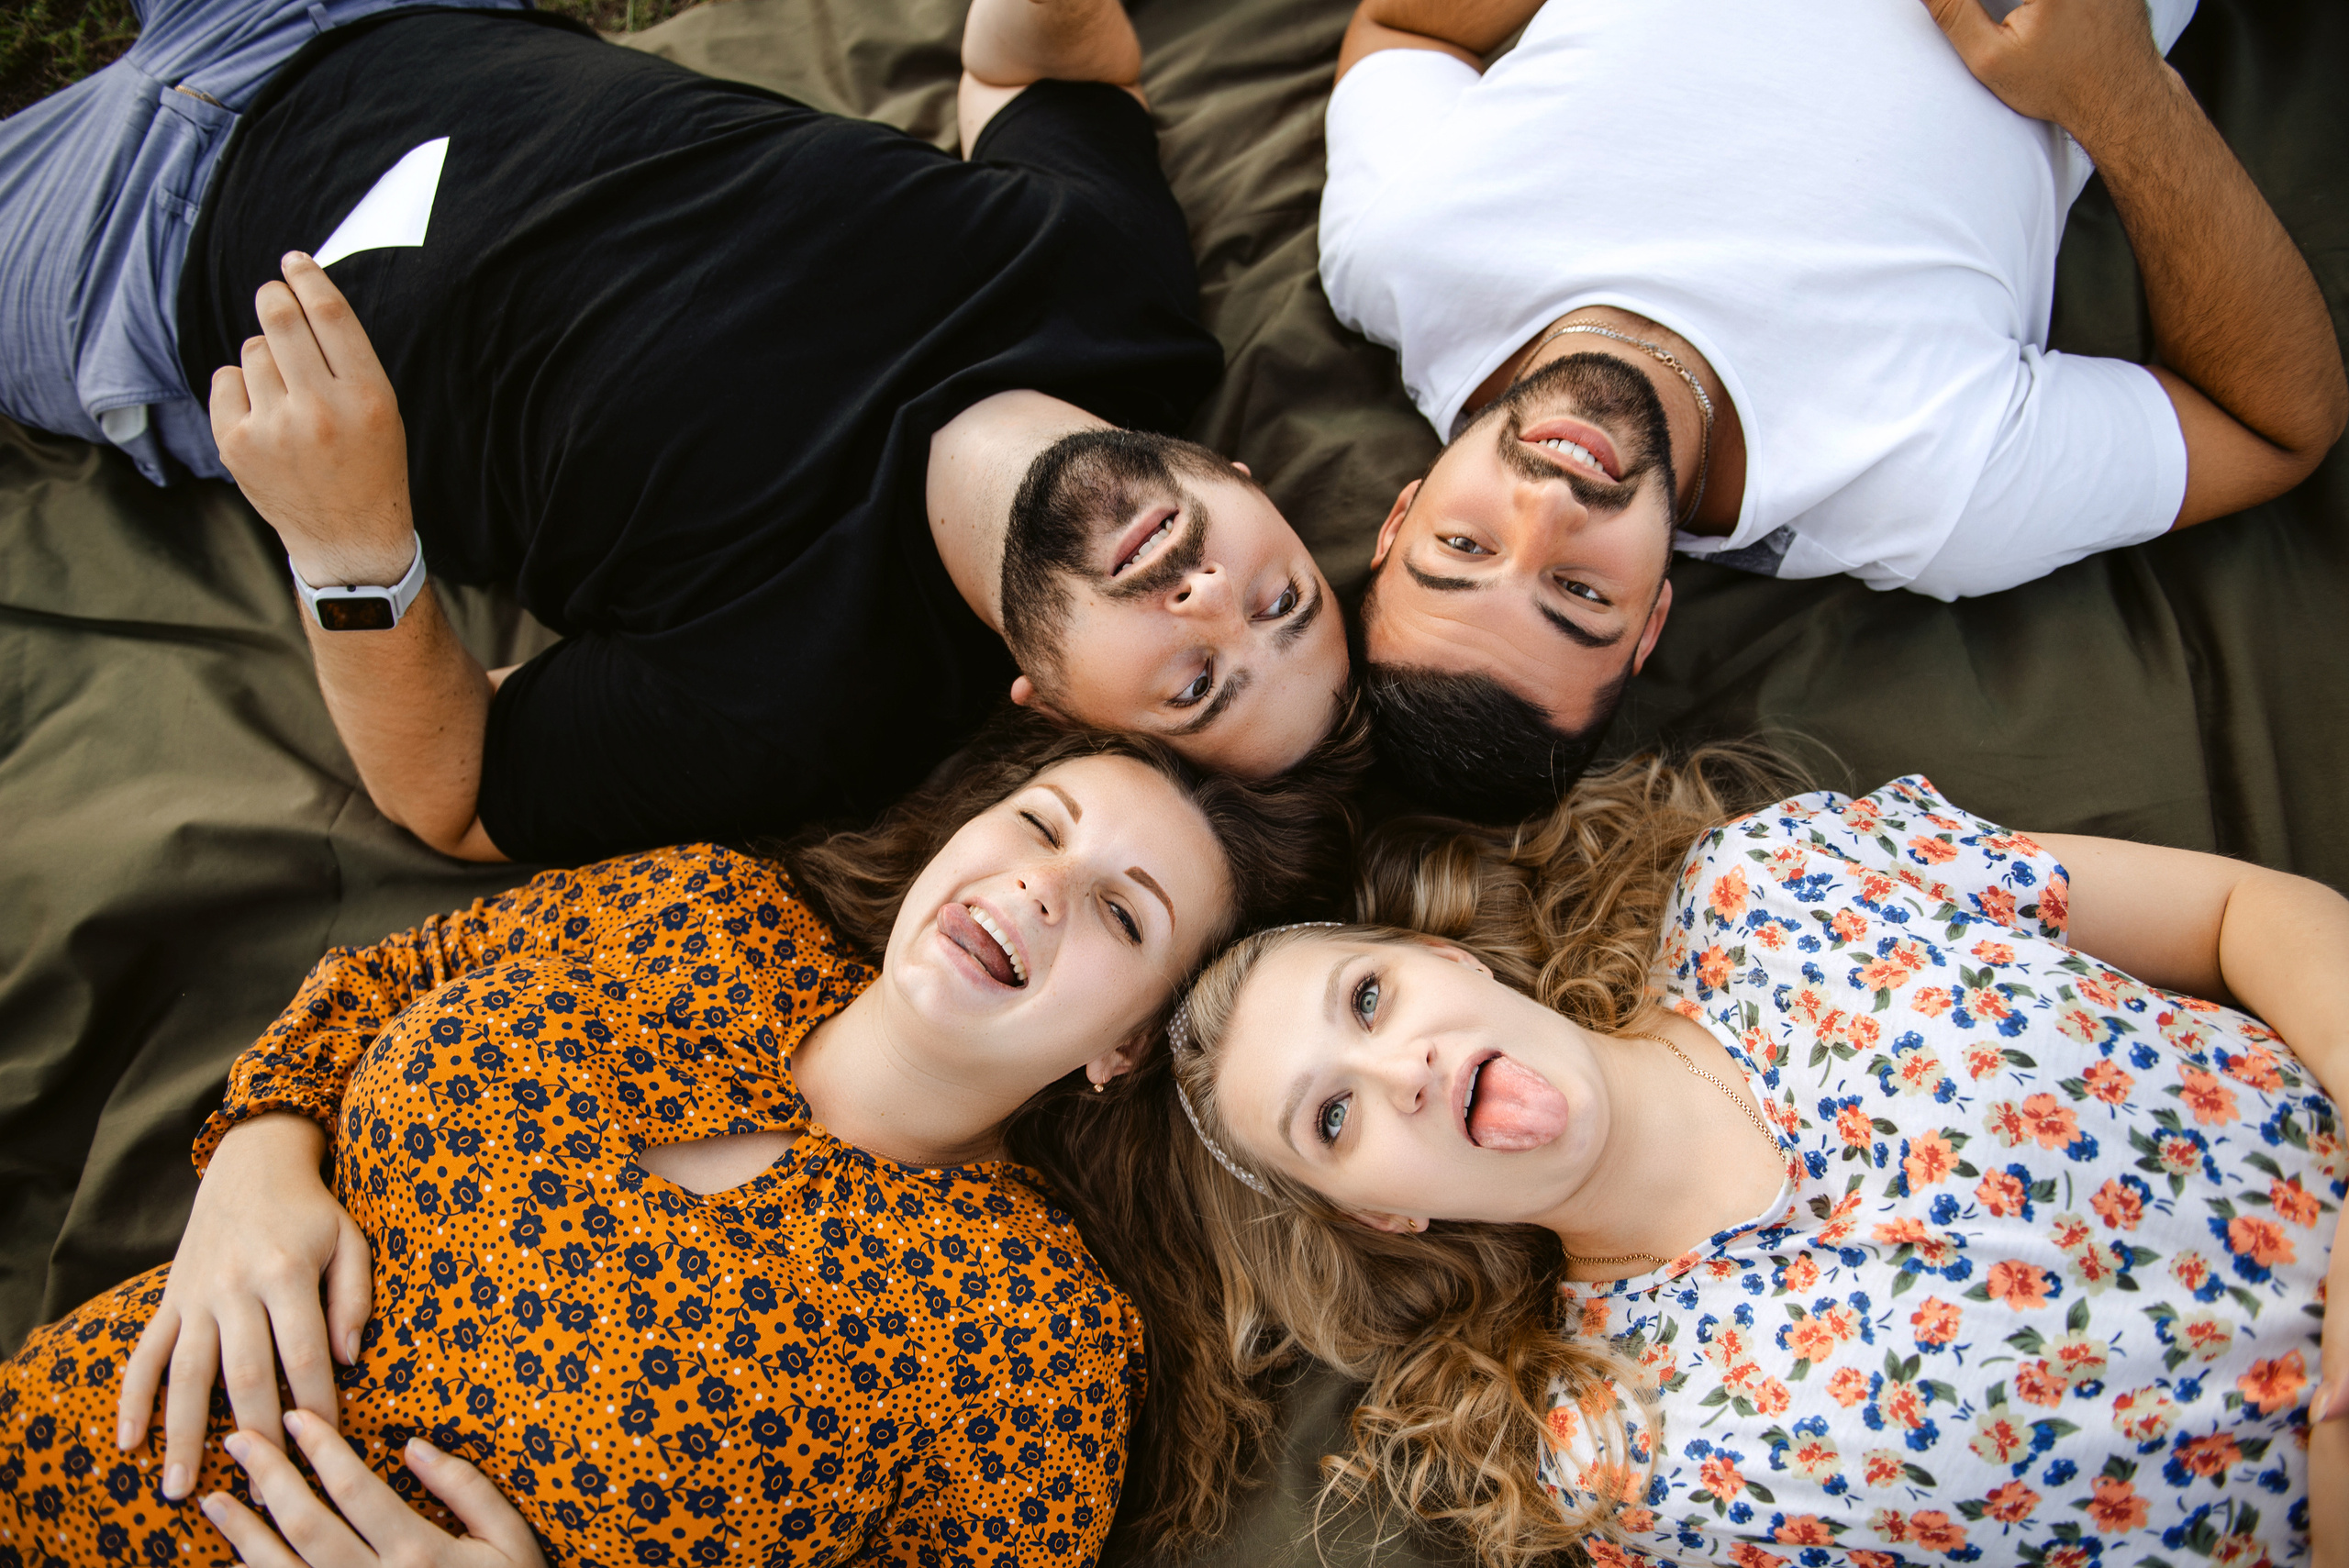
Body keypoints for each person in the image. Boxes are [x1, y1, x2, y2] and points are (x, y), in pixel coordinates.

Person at [0, 0, 1356, 867]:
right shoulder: (1120, 294)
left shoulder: (795, 704)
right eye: (1280, 599)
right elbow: (1043, 75)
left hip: (134, 251)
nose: (1206, 601)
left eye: (1194, 682)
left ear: (1053, 709)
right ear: (1245, 483)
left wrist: (347, 547)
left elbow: (459, 797)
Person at [0, 714, 1354, 1566]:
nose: (1041, 890)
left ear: (1122, 1048)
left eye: (1124, 915)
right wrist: (259, 1154)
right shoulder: (697, 905)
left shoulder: (1035, 1341)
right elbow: (380, 981)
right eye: (1040, 826)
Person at [1161, 755, 2347, 1564]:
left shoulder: (1782, 881)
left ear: (1448, 958)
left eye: (1368, 998)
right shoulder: (1623, 1454)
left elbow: (2247, 912)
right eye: (1332, 1119)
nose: (1398, 1068)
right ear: (1381, 1214)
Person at [1320, 0, 2349, 819]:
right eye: (1582, 594)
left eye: (1462, 544)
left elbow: (1404, 26)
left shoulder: (1394, 253)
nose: (1549, 509)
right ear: (1652, 622)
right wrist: (2121, 93)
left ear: (1402, 512)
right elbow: (2273, 426)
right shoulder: (1926, 489)